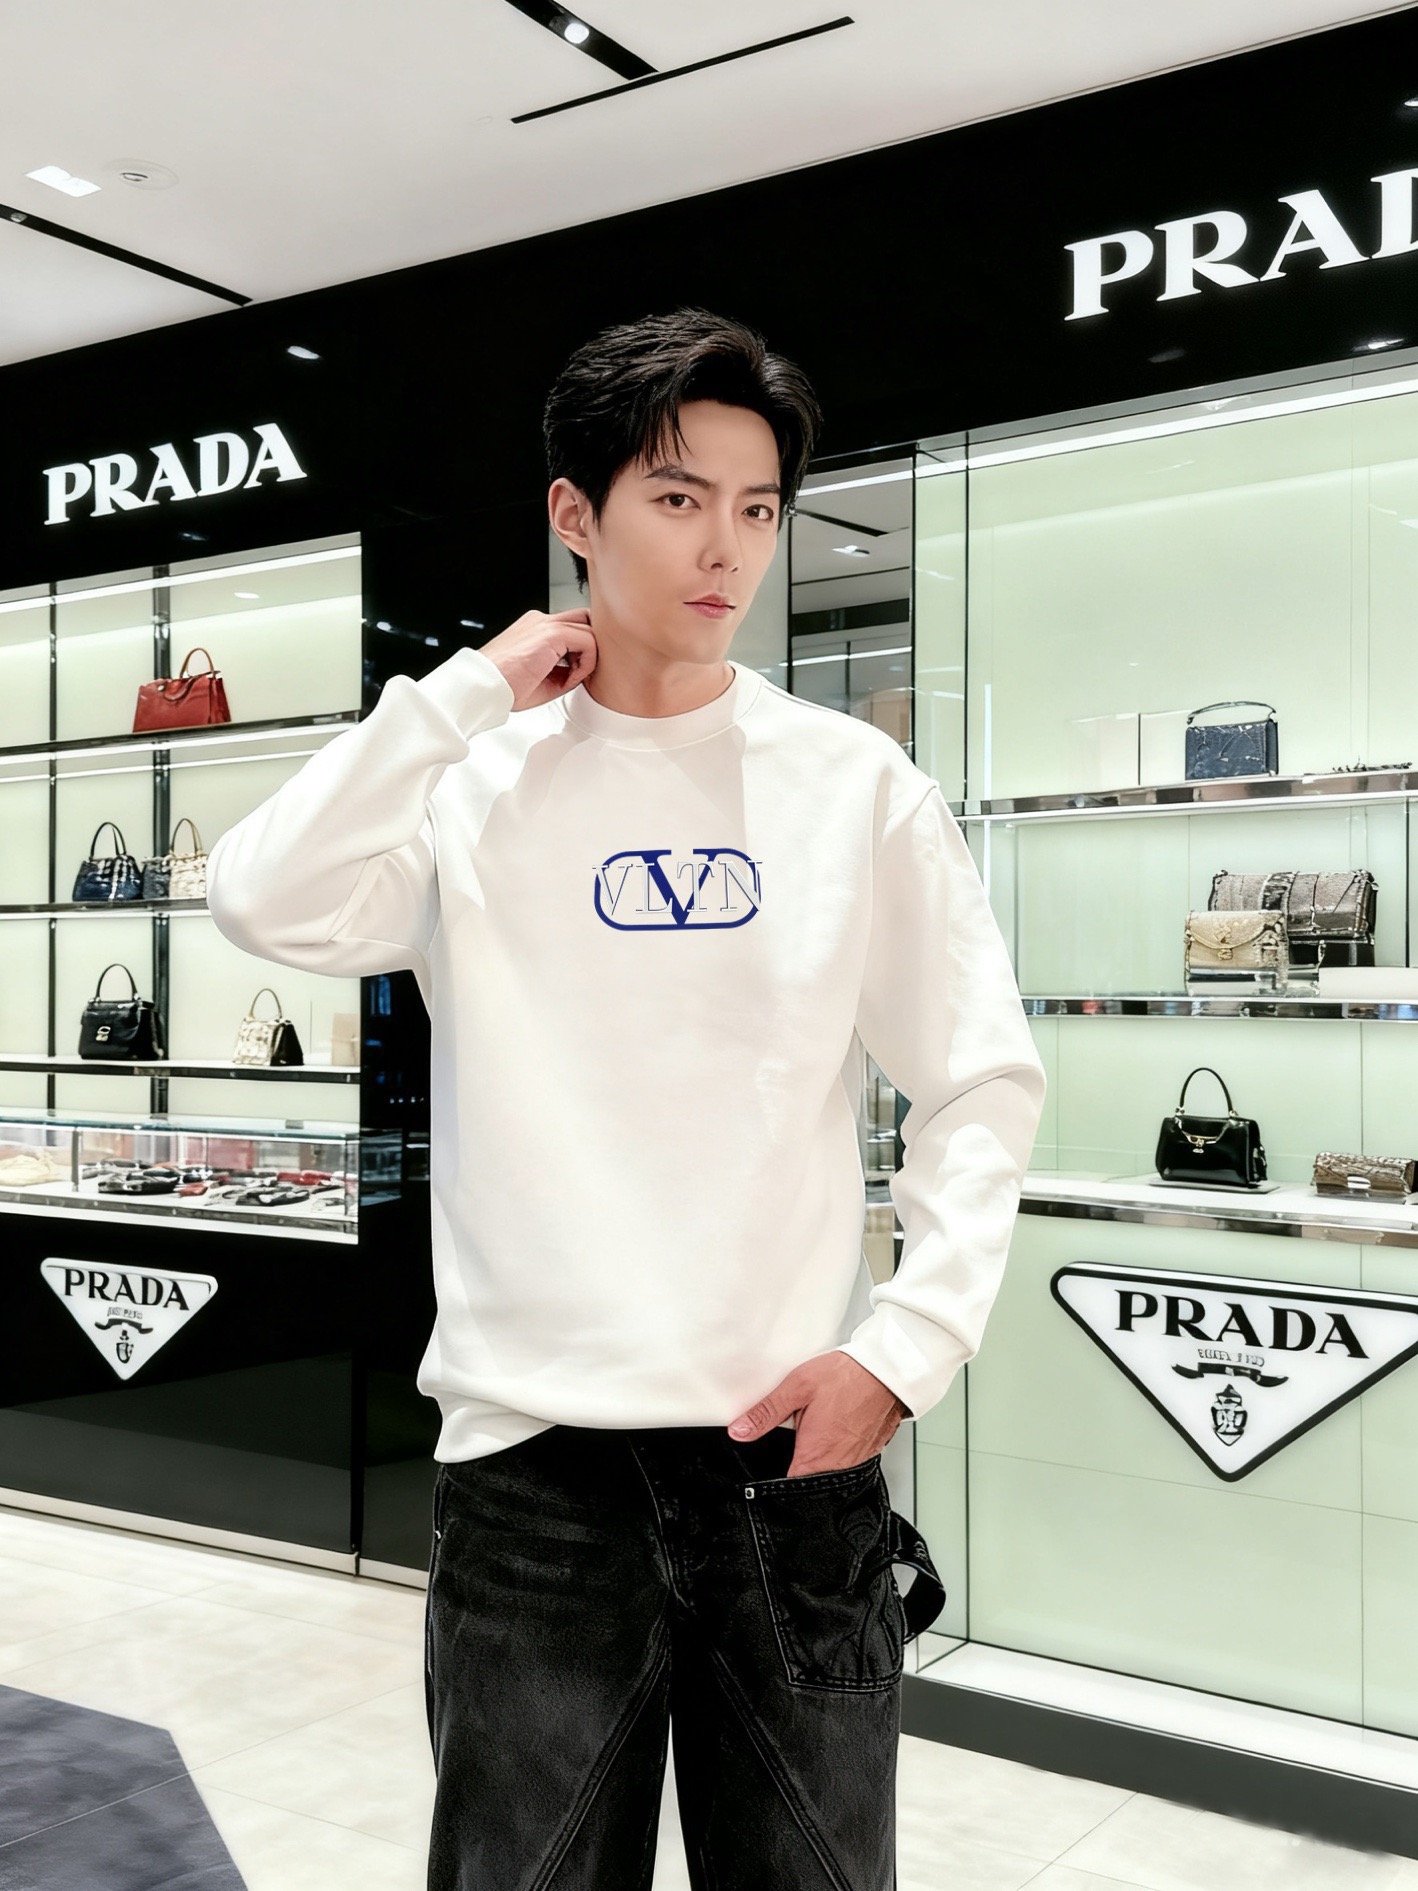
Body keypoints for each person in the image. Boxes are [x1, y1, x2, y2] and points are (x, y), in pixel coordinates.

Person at [205, 306, 1047, 1891]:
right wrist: (463, 695)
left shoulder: (852, 784)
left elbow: (979, 1077)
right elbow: (261, 898)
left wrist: (903, 1351)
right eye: (676, 497)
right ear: (574, 513)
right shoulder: (474, 785)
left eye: (757, 508)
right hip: (533, 1470)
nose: (725, 548)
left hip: (788, 1462)